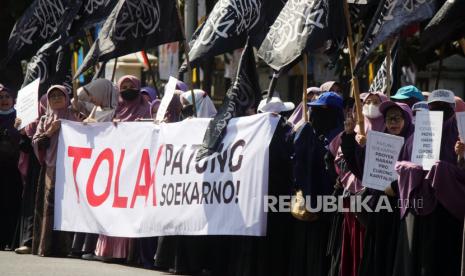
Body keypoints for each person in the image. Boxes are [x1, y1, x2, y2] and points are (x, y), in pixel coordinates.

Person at [342, 100, 415, 276]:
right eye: (390, 119)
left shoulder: (413, 144)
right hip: (379, 213)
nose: (393, 123)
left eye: (398, 118)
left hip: (402, 214)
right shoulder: (378, 142)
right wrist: (349, 135)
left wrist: (395, 187)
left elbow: (416, 173)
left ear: (406, 119)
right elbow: (359, 168)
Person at [90, 75, 150, 263]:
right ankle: (108, 251)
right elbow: (94, 124)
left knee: (129, 210)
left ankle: (127, 253)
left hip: (135, 168)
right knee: (110, 208)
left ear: (139, 87)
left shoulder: (147, 109)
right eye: (123, 85)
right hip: (113, 168)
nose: (127, 88)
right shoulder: (111, 108)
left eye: (131, 85)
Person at [329, 92, 388, 276]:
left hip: (379, 201)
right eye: (367, 102)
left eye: (376, 102)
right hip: (354, 199)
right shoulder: (353, 131)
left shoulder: (390, 129)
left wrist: (369, 146)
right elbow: (340, 160)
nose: (371, 105)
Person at [289, 92, 344, 276]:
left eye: (323, 111)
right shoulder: (307, 133)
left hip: (331, 208)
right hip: (306, 204)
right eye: (316, 110)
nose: (317, 116)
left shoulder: (342, 137)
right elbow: (297, 163)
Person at [69, 79, 118, 259]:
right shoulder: (99, 109)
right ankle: (80, 246)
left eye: (95, 95)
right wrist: (78, 104)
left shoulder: (113, 112)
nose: (94, 100)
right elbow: (83, 105)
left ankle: (90, 247)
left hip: (105, 167)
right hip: (92, 166)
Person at [32, 85, 79, 256]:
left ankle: (68, 248)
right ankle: (46, 246)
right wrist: (51, 131)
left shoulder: (74, 115)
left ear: (67, 98)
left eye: (60, 95)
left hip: (72, 169)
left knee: (68, 206)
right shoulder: (45, 119)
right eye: (53, 96)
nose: (57, 98)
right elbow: (37, 142)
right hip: (51, 168)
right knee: (50, 206)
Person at [14, 94, 48, 254]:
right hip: (37, 170)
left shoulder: (68, 118)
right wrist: (22, 133)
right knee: (34, 203)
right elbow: (26, 148)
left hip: (58, 170)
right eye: (46, 102)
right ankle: (29, 241)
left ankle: (48, 243)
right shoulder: (32, 123)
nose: (51, 104)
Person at [0, 84, 22, 251]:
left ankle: (11, 240)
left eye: (7, 97)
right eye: (1, 97)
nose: (4, 100)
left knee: (12, 202)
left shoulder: (20, 115)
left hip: (15, 168)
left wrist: (18, 128)